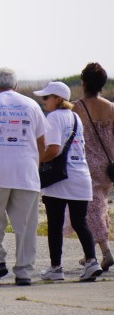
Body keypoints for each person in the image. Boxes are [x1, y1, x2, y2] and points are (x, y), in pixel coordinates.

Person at [0, 68, 47, 286]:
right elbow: (42, 143)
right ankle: (24, 271)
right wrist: (35, 163)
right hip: (26, 171)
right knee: (26, 224)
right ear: (16, 85)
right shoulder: (32, 105)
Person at [35, 81, 104, 281]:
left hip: (60, 179)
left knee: (55, 224)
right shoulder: (75, 117)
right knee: (80, 222)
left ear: (58, 99)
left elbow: (54, 149)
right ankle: (92, 262)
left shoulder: (54, 117)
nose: (43, 101)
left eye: (46, 98)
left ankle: (56, 268)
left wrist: (37, 160)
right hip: (81, 175)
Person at [72, 63, 114, 271]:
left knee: (90, 210)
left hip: (84, 163)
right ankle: (90, 252)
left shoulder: (76, 107)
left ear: (84, 82)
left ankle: (105, 251)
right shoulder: (110, 107)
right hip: (107, 166)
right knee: (100, 207)